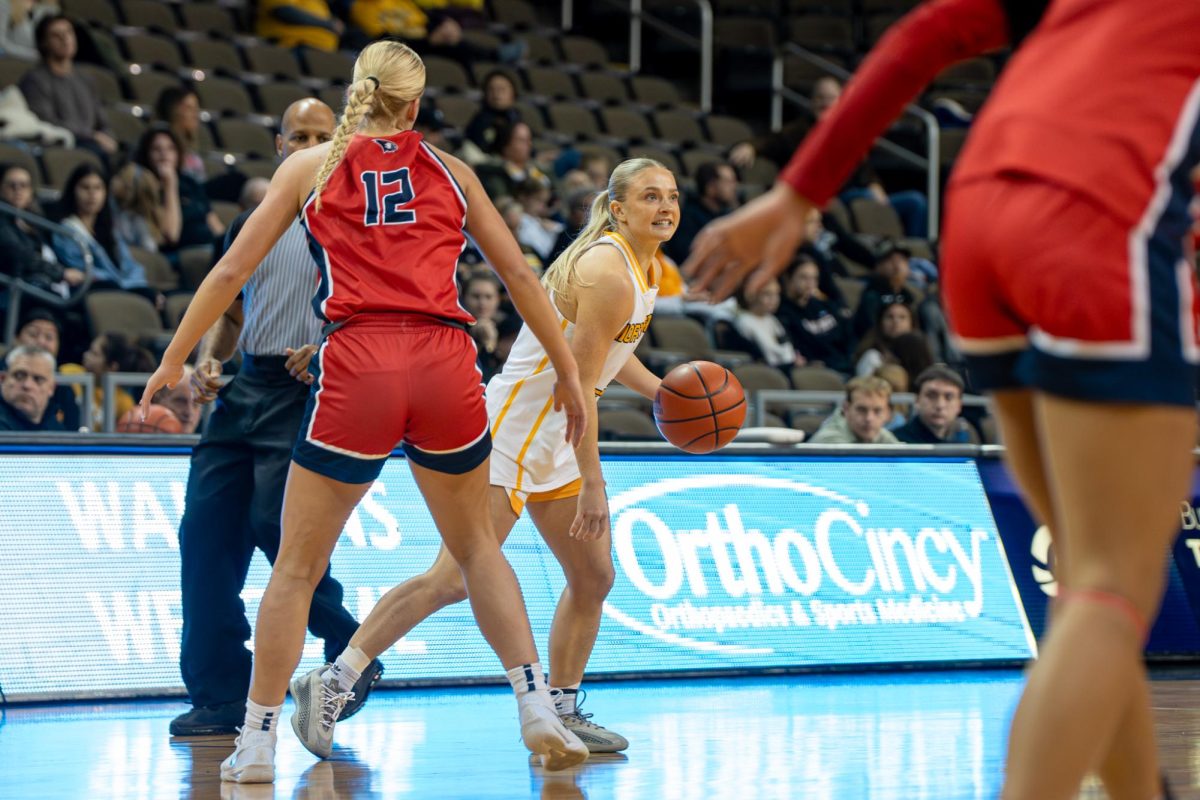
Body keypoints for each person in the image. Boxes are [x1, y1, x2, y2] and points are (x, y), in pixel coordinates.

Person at [684, 1, 1200, 797]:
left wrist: (798, 194)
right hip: (1096, 227)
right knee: (1117, 586)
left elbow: (928, 31)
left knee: (1088, 581)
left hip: (978, 218)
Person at [139, 41, 590, 783]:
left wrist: (174, 358)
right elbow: (518, 275)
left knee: (295, 567)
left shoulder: (308, 167)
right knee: (478, 548)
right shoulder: (454, 170)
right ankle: (536, 702)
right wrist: (568, 371)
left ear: (359, 91)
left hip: (362, 361)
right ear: (414, 105)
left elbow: (231, 270)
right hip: (446, 364)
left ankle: (254, 743)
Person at [294, 157, 676, 760]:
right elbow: (573, 381)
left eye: (672, 197)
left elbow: (604, 351)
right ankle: (333, 680)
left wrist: (661, 391)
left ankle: (565, 709)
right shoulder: (607, 267)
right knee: (451, 578)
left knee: (593, 576)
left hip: (557, 437)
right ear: (619, 207)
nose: (666, 207)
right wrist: (594, 479)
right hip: (521, 432)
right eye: (650, 197)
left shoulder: (644, 266)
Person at [167, 98, 384, 738]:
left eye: (325, 135)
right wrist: (209, 359)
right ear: (280, 143)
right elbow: (231, 311)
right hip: (247, 386)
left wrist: (327, 348)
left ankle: (350, 649)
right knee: (203, 540)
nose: (312, 145)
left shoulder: (359, 225)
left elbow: (378, 315)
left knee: (273, 525)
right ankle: (218, 696)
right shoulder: (251, 223)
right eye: (301, 136)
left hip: (311, 391)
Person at [17, 14, 117, 166]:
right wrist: (92, 136)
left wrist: (109, 138)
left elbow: (102, 122)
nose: (65, 39)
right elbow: (46, 121)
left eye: (69, 33)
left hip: (93, 144)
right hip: (64, 145)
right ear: (44, 43)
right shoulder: (35, 80)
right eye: (57, 35)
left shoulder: (86, 79)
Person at [50, 163, 157, 300]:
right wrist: (127, 286)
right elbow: (82, 269)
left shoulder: (109, 230)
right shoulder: (65, 231)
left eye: (98, 188)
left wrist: (138, 286)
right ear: (73, 191)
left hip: (122, 287)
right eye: (85, 187)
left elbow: (129, 265)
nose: (92, 194)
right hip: (96, 291)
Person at [663, 161, 738, 265]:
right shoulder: (686, 218)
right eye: (728, 182)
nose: (734, 187)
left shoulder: (727, 216)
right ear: (710, 187)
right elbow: (687, 258)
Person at [15, 309, 79, 430]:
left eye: (49, 337)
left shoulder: (64, 386)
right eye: (33, 334)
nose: (41, 342)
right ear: (16, 338)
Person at [807, 375, 899, 444]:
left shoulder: (882, 435)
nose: (869, 418)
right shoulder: (828, 441)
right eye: (862, 410)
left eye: (877, 411)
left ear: (888, 413)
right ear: (846, 409)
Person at [894, 364, 970, 444]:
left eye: (949, 397)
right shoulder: (897, 443)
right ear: (917, 400)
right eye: (931, 396)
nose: (940, 405)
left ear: (959, 405)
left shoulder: (967, 439)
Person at [155, 87, 206, 182]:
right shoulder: (158, 141)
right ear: (173, 110)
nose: (196, 115)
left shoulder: (191, 152)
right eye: (189, 108)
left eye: (197, 109)